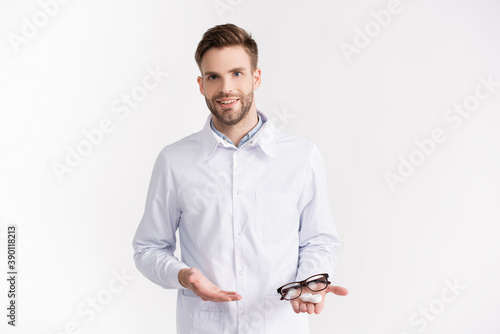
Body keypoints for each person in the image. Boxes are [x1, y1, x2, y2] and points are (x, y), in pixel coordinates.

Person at [132, 23, 348, 334]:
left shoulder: (302, 157)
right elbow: (149, 247)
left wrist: (310, 280)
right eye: (213, 77)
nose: (225, 88)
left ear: (255, 77)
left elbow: (319, 240)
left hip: (279, 325)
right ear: (201, 84)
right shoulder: (174, 161)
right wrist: (184, 276)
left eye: (237, 73)